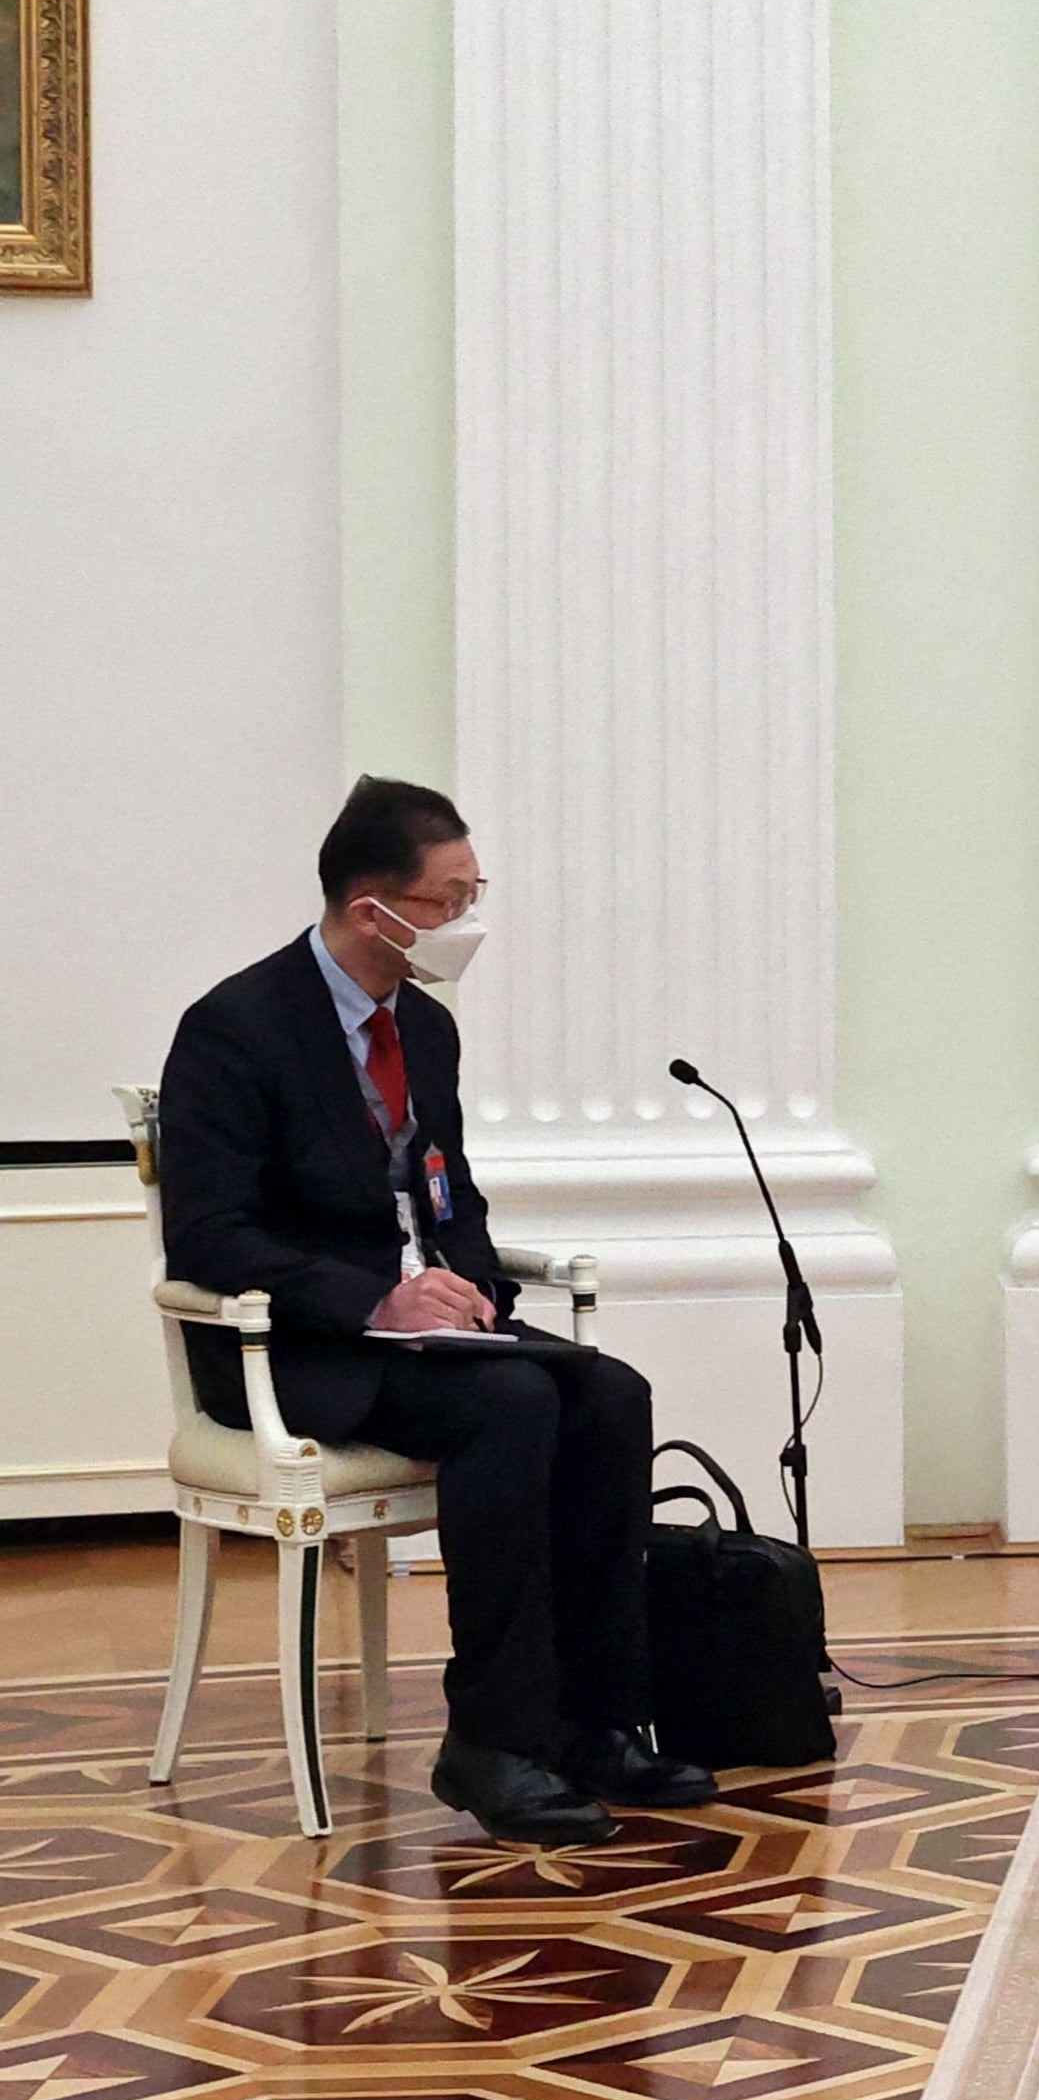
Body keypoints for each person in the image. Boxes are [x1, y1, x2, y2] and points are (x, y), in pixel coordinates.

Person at [155, 778, 712, 1846]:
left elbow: (450, 1194)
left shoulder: (424, 1029)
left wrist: (469, 1287)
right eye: (450, 900)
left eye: (473, 891)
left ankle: (594, 1719)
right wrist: (378, 1299)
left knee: (607, 1392)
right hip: (288, 1344)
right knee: (507, 1405)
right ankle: (492, 1740)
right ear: (374, 911)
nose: (467, 922)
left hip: (425, 1336)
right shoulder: (235, 1028)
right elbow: (210, 1236)